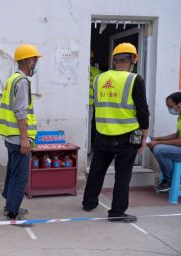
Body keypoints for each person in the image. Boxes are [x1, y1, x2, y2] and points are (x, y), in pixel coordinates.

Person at [82, 42, 150, 223]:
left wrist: (96, 132)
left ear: (113, 60)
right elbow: (142, 110)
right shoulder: (135, 79)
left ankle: (89, 202)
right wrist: (144, 135)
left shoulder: (99, 79)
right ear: (133, 60)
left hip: (102, 133)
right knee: (122, 175)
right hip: (126, 136)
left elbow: (97, 108)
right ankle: (117, 213)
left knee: (97, 170)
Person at [0, 44, 41, 226]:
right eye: (35, 61)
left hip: (10, 136)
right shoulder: (22, 82)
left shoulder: (12, 79)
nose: (36, 65)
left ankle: (10, 206)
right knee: (20, 176)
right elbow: (20, 112)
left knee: (13, 172)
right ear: (29, 61)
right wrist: (25, 139)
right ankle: (13, 214)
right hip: (18, 138)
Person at [147, 92, 181, 192]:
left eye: (170, 106)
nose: (170, 109)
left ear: (180, 104)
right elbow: (177, 135)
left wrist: (158, 143)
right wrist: (157, 139)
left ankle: (169, 180)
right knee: (153, 146)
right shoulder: (180, 117)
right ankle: (173, 177)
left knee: (159, 149)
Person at [89, 50, 101, 154]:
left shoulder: (80, 70)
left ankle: (87, 149)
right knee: (89, 127)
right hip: (91, 103)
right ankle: (88, 150)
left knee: (88, 127)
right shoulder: (97, 72)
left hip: (88, 103)